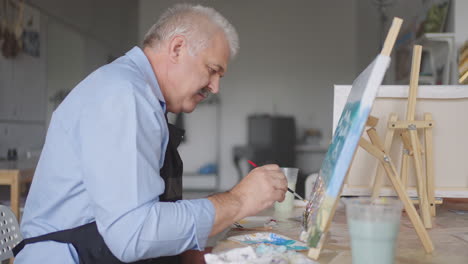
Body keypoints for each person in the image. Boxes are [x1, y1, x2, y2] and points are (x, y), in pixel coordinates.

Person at [14, 4, 288, 264]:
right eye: (212, 70)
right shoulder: (124, 94)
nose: (215, 87)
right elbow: (132, 233)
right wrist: (238, 200)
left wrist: (188, 252)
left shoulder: (140, 95)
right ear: (178, 48)